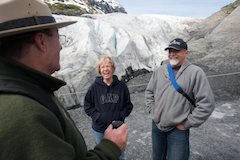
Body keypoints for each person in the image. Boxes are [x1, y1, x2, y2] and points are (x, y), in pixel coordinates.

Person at [0, 0, 128, 160]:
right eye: (58, 37)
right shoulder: (25, 113)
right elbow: (88, 105)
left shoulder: (28, 91)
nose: (61, 46)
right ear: (41, 41)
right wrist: (109, 148)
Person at [145, 38, 215, 160]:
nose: (172, 54)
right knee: (157, 157)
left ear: (186, 53)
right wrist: (153, 112)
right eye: (170, 51)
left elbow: (207, 103)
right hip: (157, 127)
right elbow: (149, 92)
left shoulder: (195, 73)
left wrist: (187, 123)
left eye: (176, 51)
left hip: (177, 130)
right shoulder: (159, 71)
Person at [84, 55, 133, 160]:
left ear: (113, 69)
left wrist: (120, 116)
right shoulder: (94, 87)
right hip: (99, 128)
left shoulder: (121, 86)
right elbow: (87, 106)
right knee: (103, 155)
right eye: (103, 67)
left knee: (120, 155)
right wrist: (97, 116)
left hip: (117, 128)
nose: (105, 69)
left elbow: (128, 105)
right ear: (99, 70)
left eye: (108, 66)